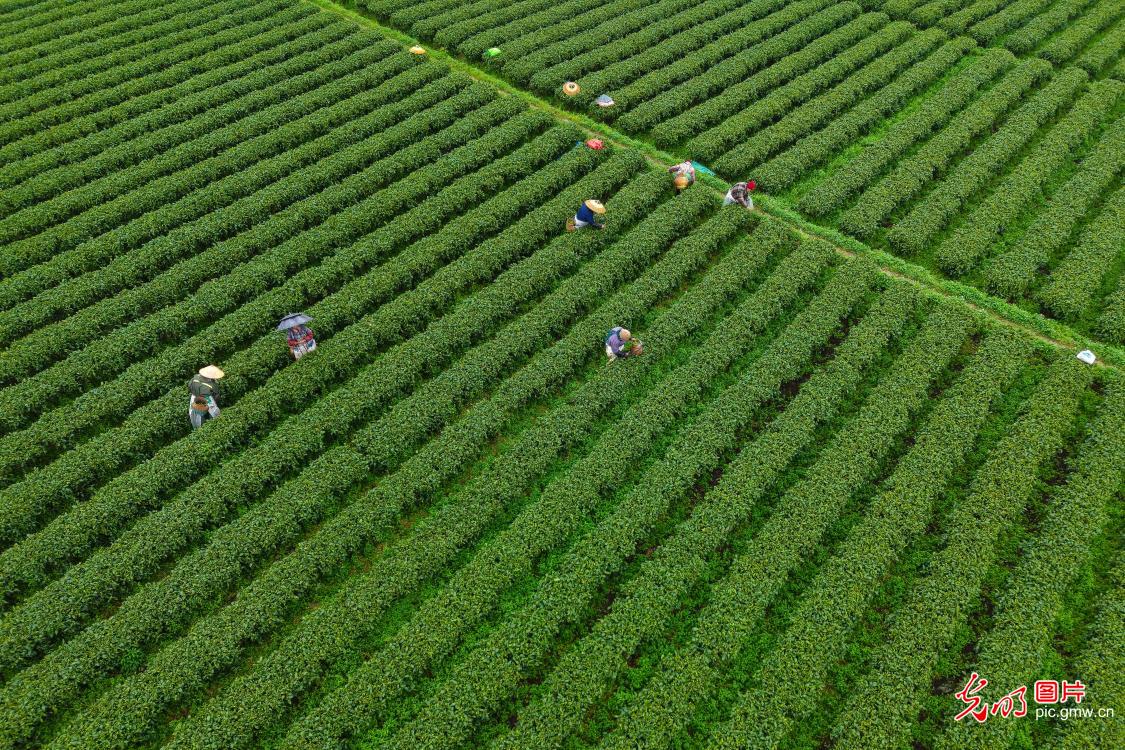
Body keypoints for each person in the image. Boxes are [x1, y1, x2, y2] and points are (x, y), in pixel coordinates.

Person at [188, 365, 224, 429]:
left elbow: (190, 386)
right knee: (211, 414)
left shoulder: (195, 377)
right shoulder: (210, 387)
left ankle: (196, 428)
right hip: (205, 399)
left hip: (194, 398)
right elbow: (214, 400)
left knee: (194, 415)